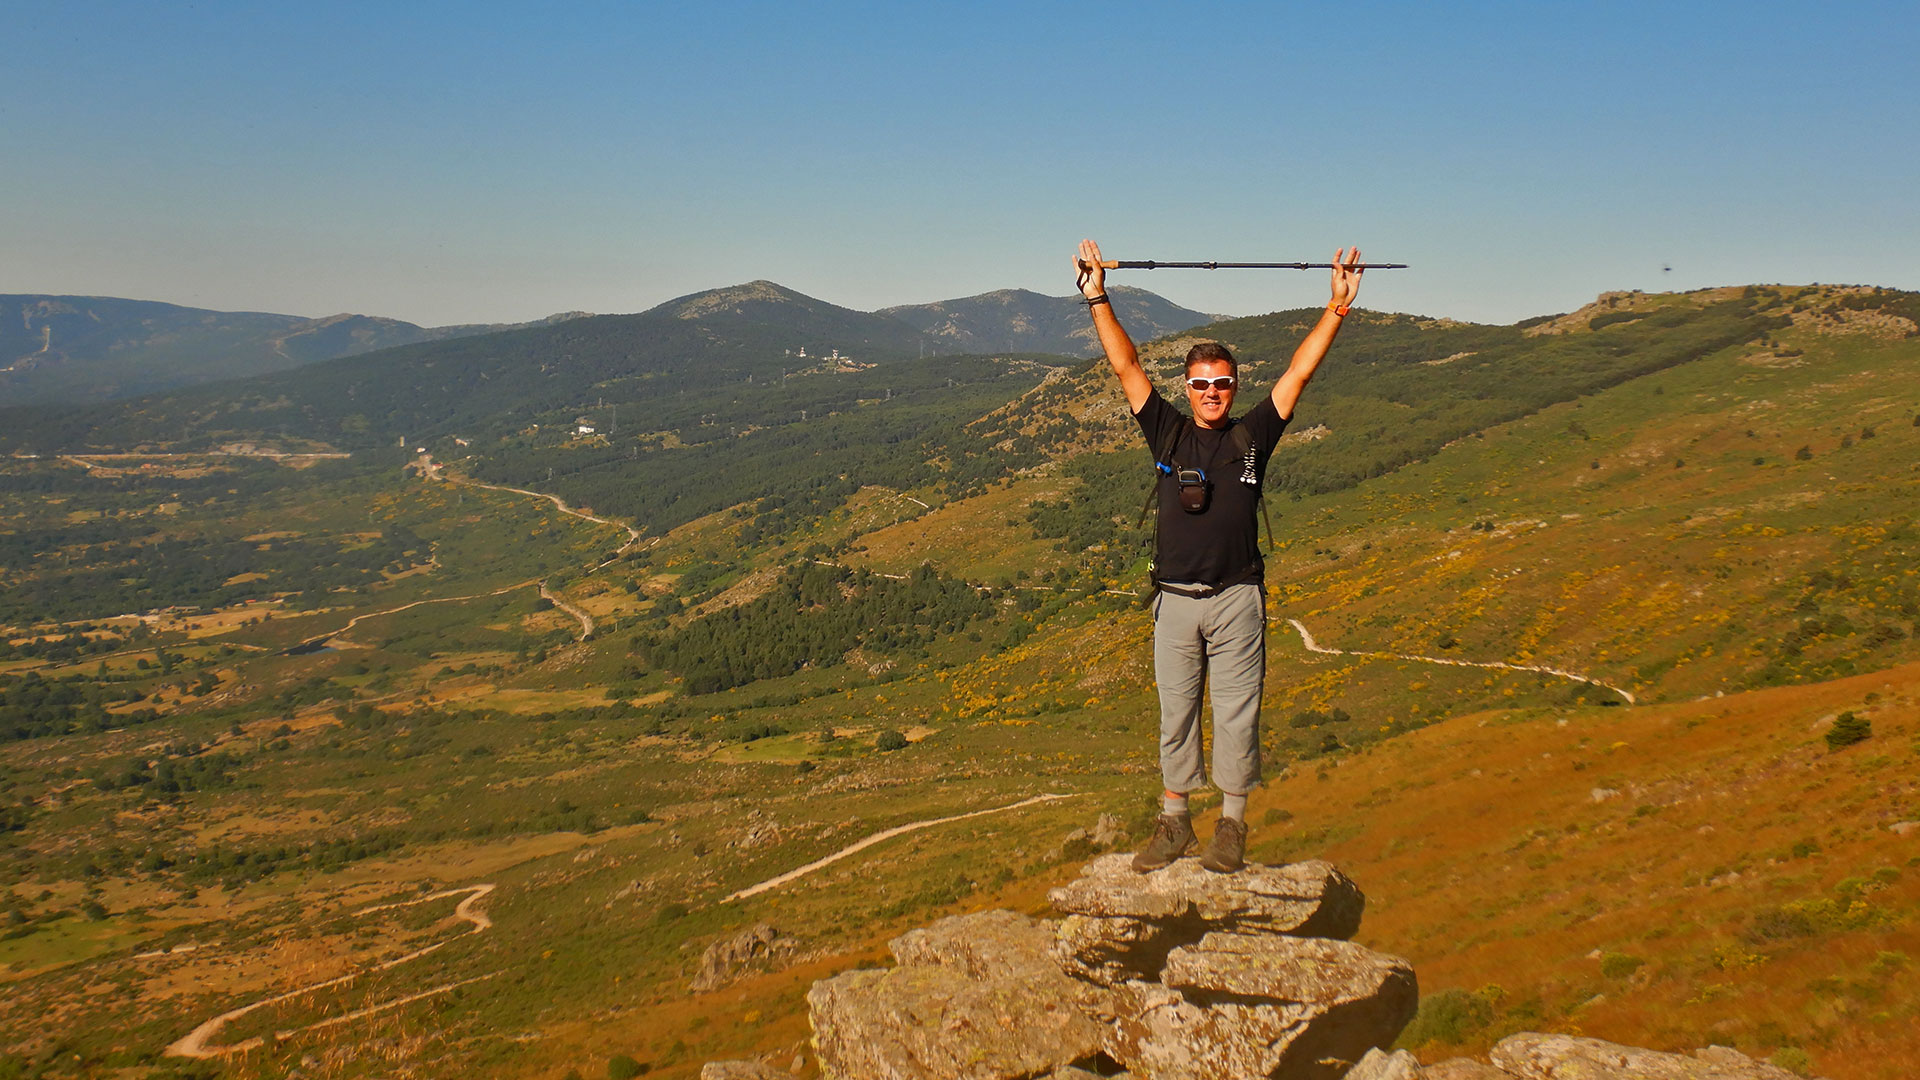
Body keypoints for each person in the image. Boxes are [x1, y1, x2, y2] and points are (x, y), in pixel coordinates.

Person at [1074, 238, 1364, 873]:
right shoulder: (1168, 431)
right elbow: (1126, 368)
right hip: (1175, 600)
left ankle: (1230, 828)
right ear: (1188, 385)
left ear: (1235, 387)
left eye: (1222, 383)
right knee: (1175, 713)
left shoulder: (1252, 435)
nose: (1212, 392)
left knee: (1238, 712)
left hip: (1237, 598)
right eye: (1202, 383)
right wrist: (1097, 295)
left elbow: (1299, 374)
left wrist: (1337, 309)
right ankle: (1174, 822)